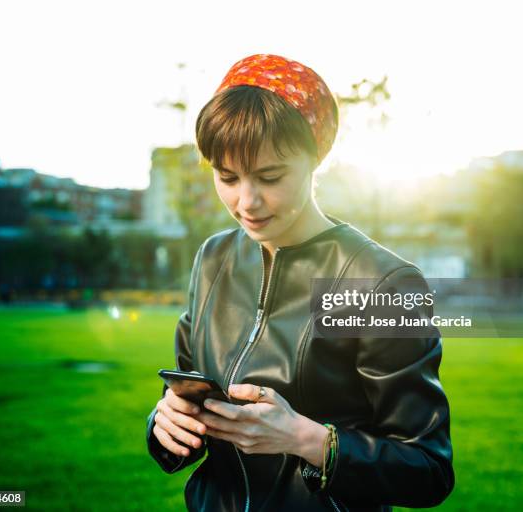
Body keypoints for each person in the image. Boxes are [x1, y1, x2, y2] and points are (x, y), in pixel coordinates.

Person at [146, 53, 454, 511]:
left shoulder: (384, 283)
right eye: (227, 177)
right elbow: (187, 392)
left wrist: (309, 440)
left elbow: (429, 469)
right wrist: (164, 421)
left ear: (315, 159)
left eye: (270, 177)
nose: (246, 201)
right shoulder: (213, 258)